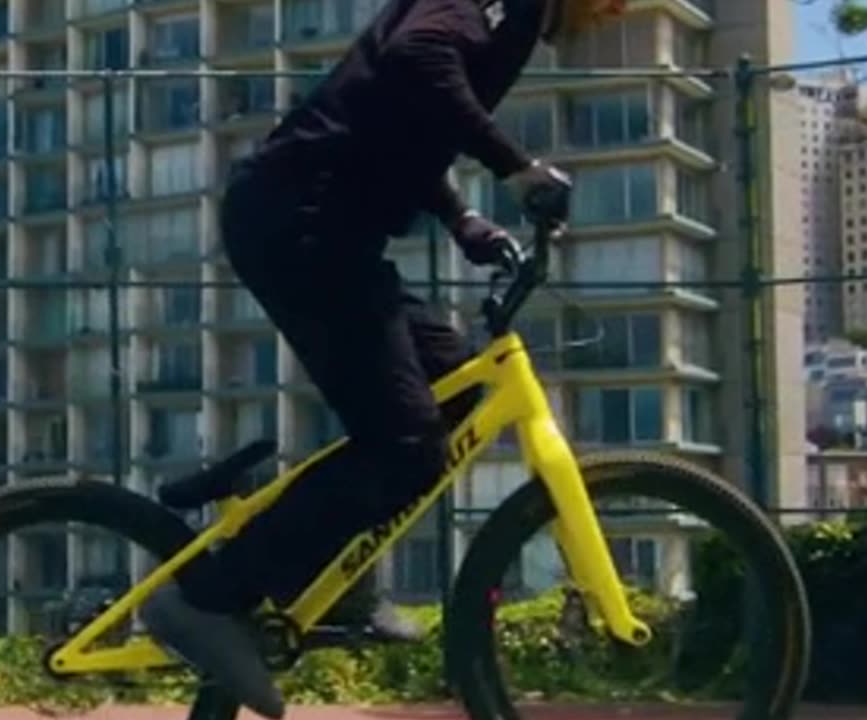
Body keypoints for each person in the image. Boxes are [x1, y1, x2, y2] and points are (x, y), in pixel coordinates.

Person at [140, 0, 624, 717]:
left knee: (458, 394)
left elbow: (396, 122)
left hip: (327, 227)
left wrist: (460, 216)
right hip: (302, 223)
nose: (609, 14)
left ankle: (335, 580)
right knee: (404, 444)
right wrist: (514, 167)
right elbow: (416, 62)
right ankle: (207, 600)